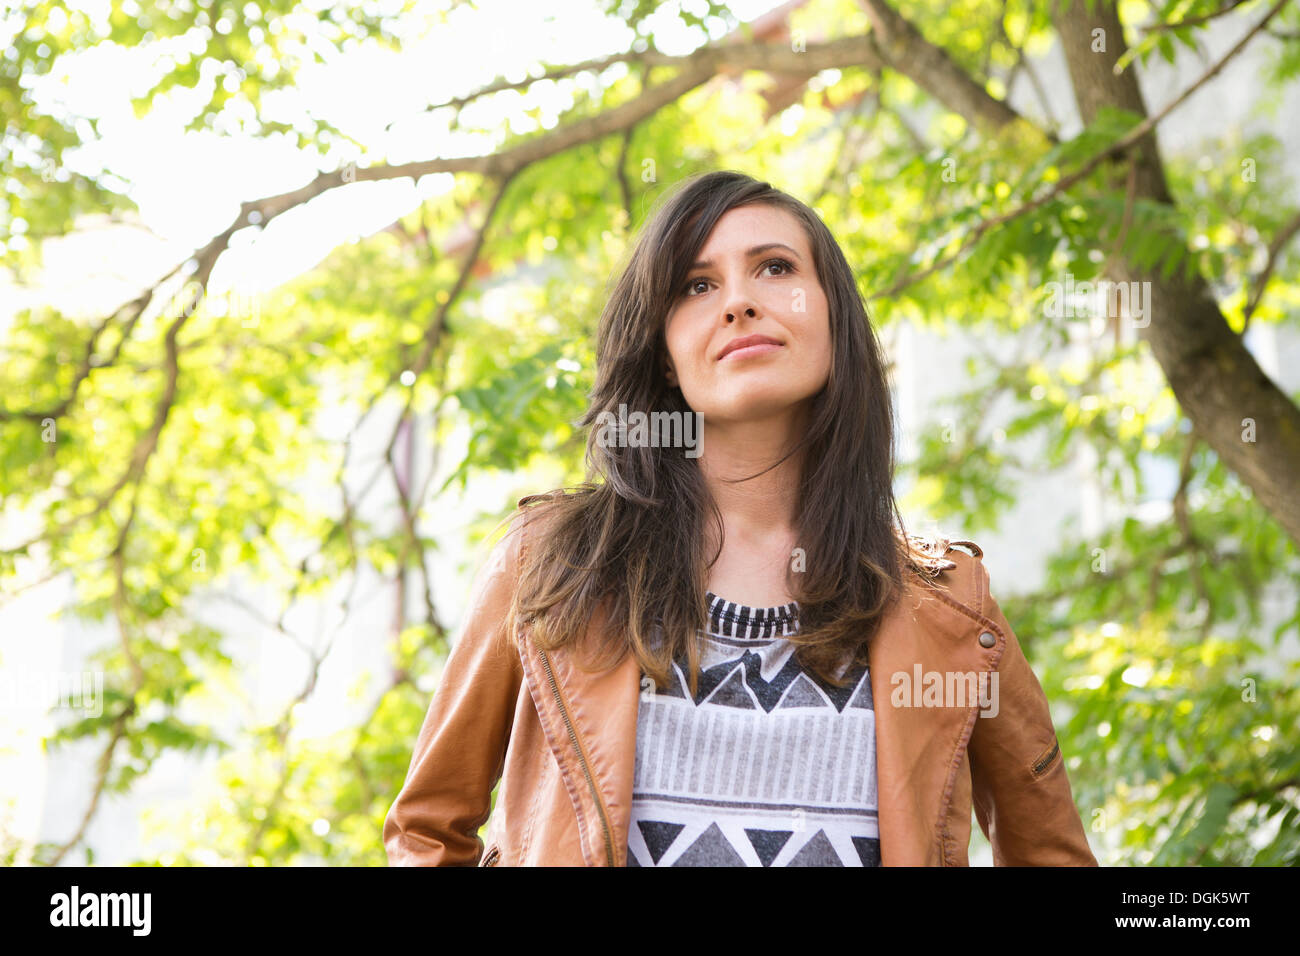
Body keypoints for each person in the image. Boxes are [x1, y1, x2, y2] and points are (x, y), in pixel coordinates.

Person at [383, 169, 1097, 866]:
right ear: (663, 355)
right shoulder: (552, 565)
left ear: (833, 316)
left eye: (776, 268)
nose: (738, 303)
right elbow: (426, 832)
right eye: (697, 285)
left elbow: (1051, 854)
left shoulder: (949, 604)